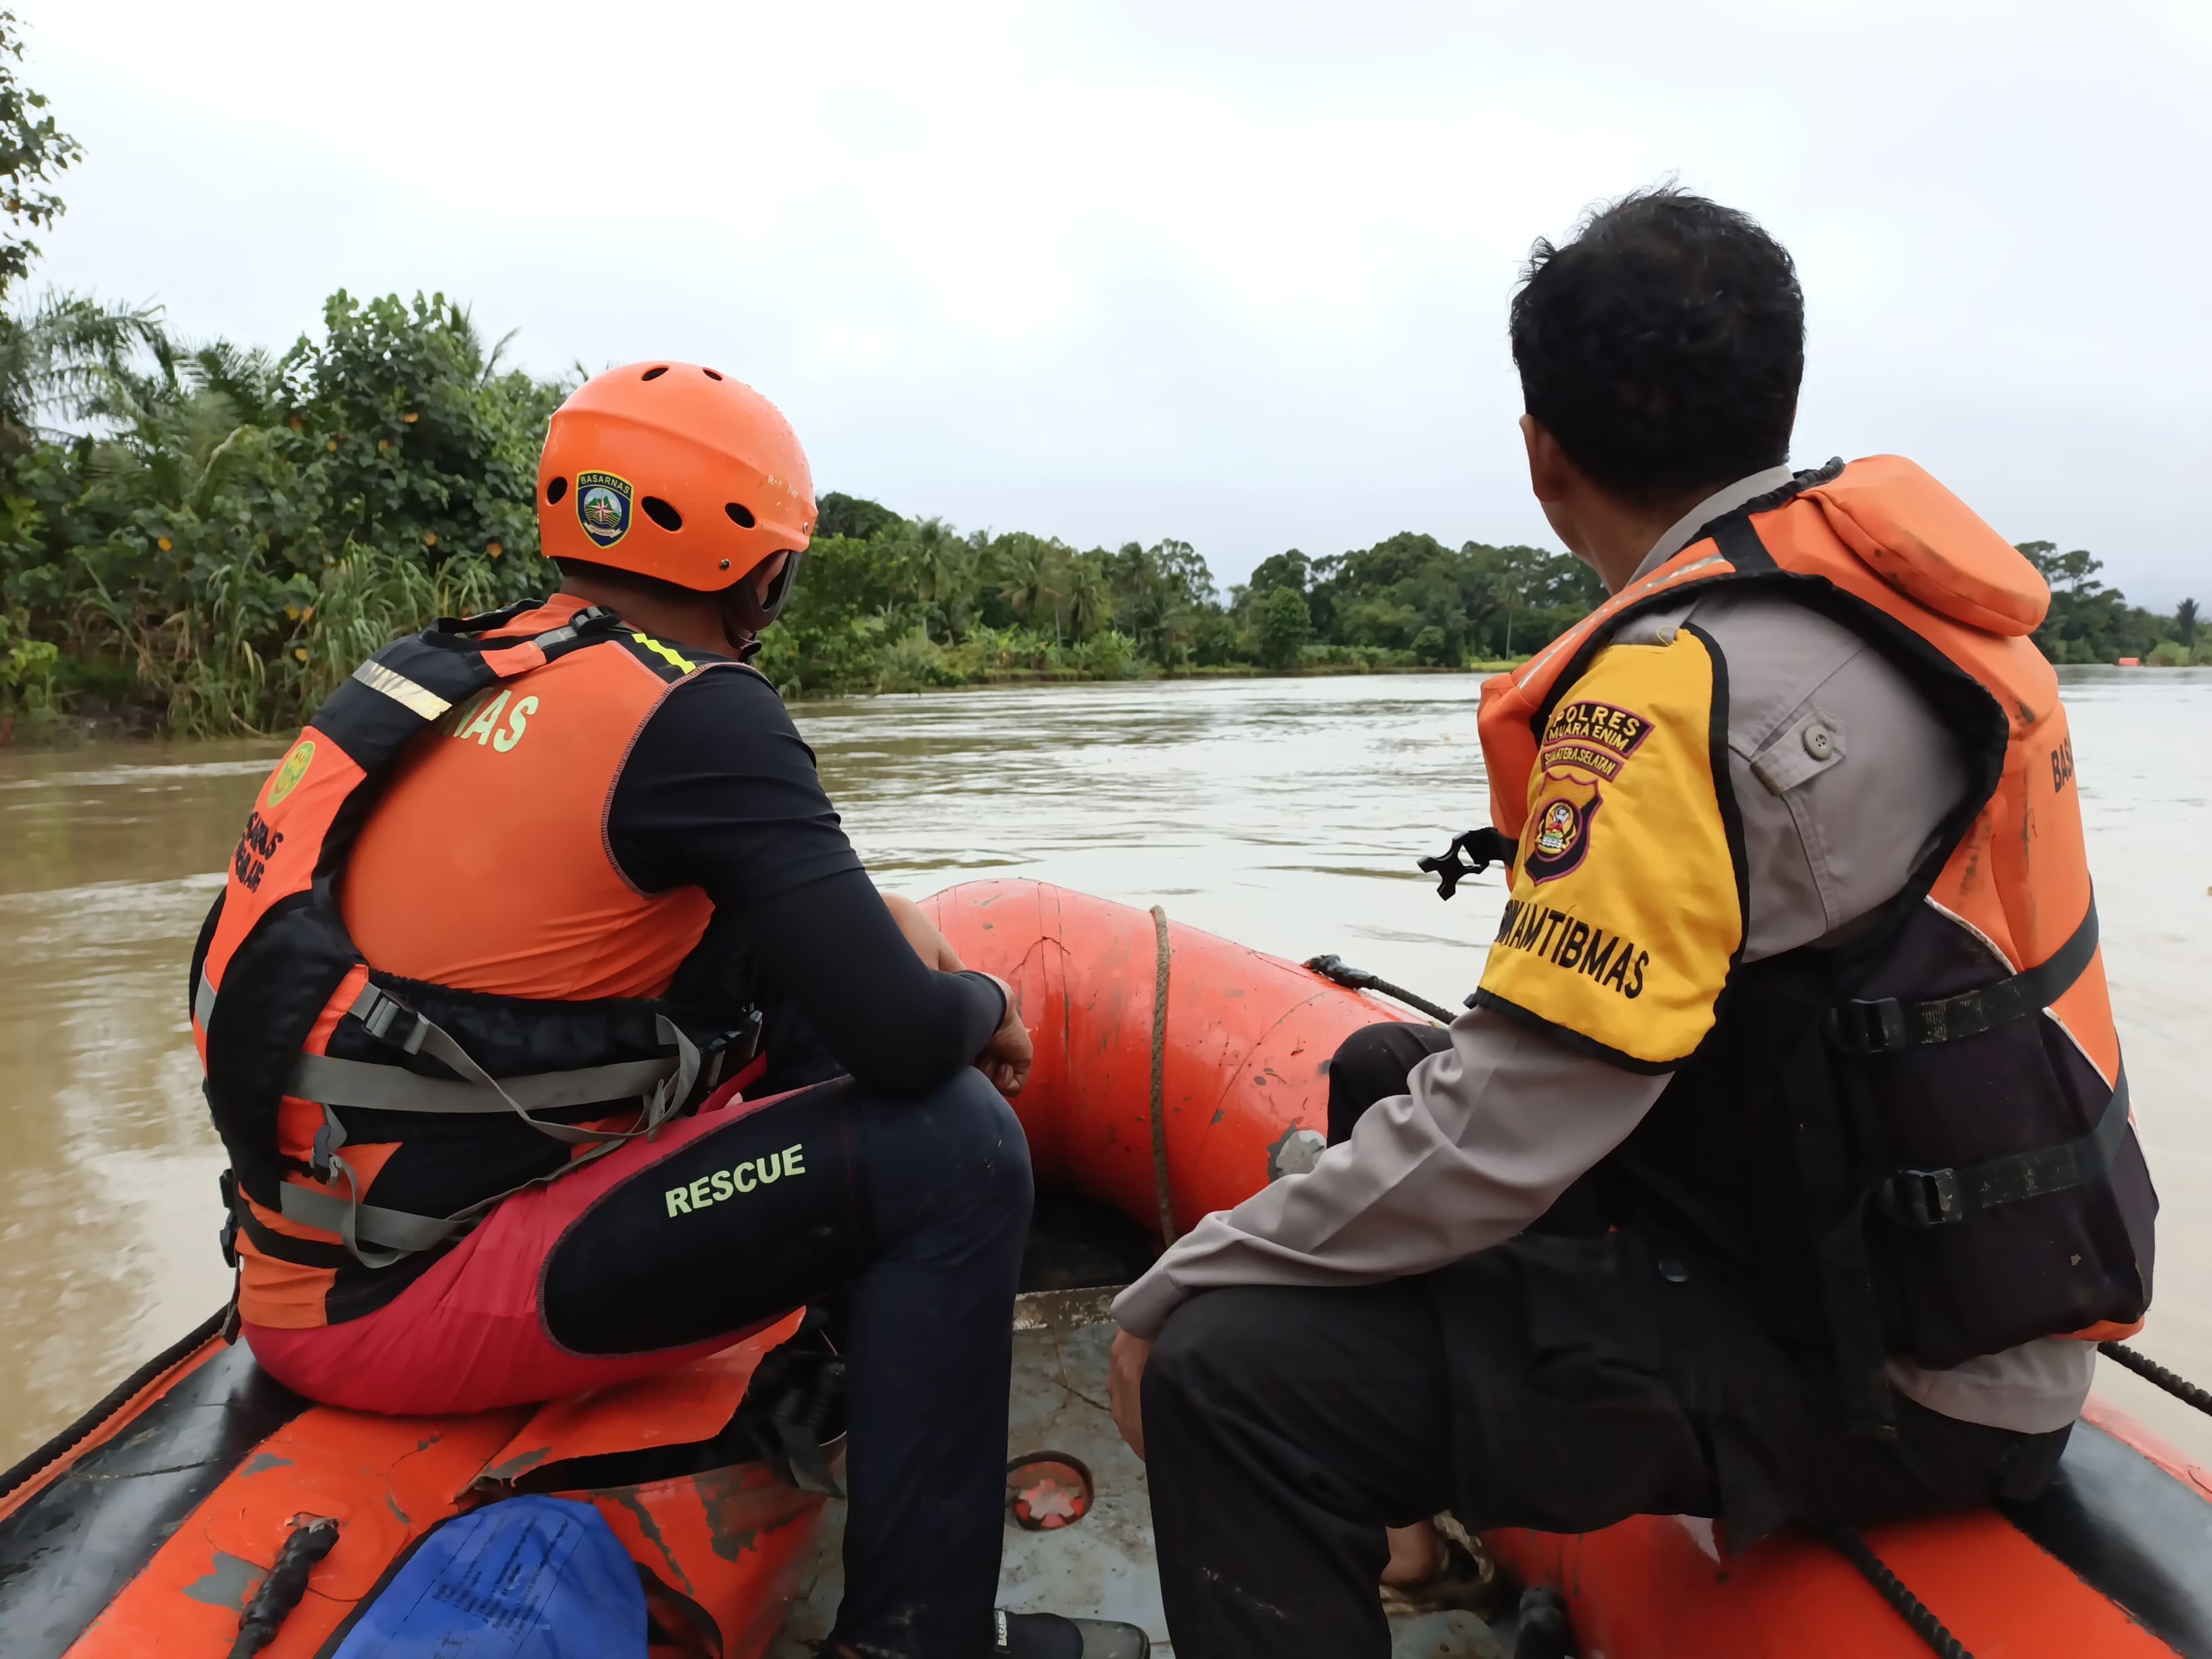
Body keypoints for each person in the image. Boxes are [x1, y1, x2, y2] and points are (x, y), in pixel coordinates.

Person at [1104, 189, 2158, 1658]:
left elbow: (1505, 1129)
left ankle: (1368, 1504)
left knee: (1223, 1371)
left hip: (1882, 1376)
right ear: (1776, 404)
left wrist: (1173, 1287)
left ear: (1546, 455)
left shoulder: (1677, 691)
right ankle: (1414, 1535)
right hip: (1966, 1279)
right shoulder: (1924, 622)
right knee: (1365, 1081)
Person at [192, 362, 1145, 1659]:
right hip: (402, 1303)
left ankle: (861, 1386)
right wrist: (979, 993)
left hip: (306, 1258)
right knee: (960, 1150)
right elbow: (913, 1042)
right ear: (762, 577)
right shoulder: (699, 713)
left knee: (791, 995)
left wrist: (893, 946)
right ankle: (922, 1640)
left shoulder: (457, 672)